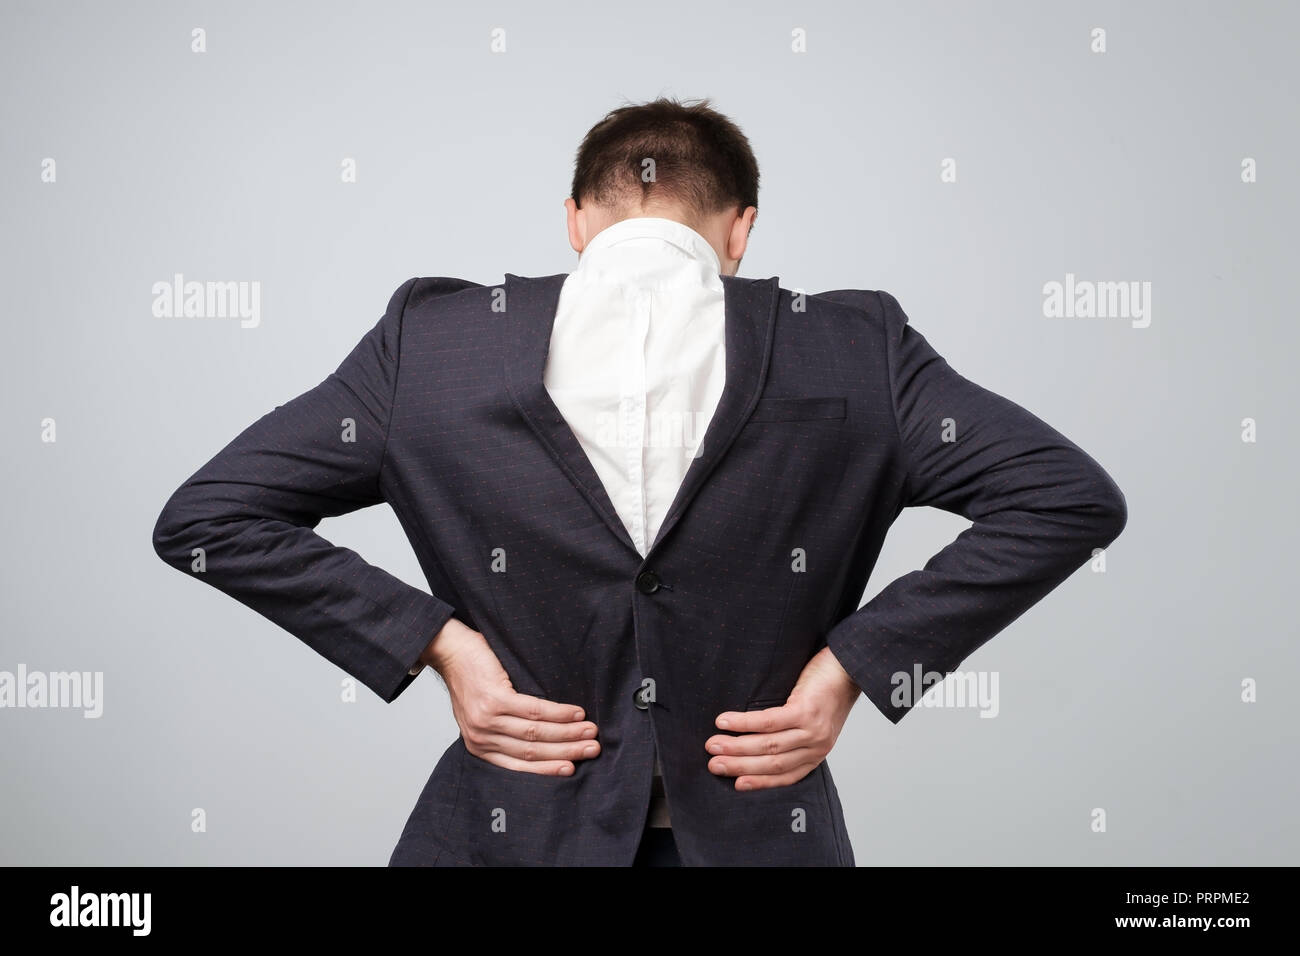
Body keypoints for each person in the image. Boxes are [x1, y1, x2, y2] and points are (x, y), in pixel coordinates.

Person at [152, 97, 1127, 867]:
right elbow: (1067, 498)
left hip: (499, 837)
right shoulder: (856, 347)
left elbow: (208, 517)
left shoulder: (432, 344)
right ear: (740, 229)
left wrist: (441, 647)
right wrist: (855, 665)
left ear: (576, 220)